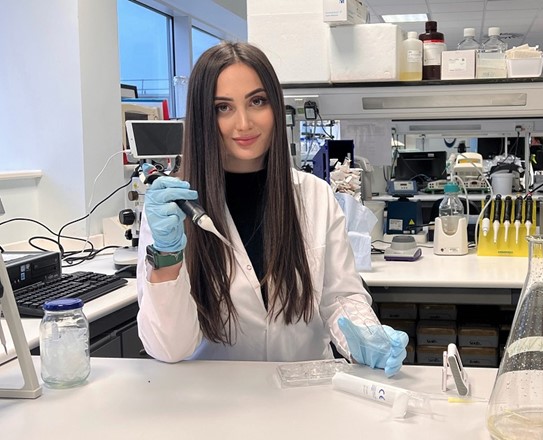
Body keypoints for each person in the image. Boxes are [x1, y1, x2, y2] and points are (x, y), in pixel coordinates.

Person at [136, 41, 408, 377]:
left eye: (257, 101)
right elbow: (168, 348)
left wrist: (367, 335)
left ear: (275, 106)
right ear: (202, 117)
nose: (244, 123)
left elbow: (340, 296)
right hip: (216, 400)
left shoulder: (315, 195)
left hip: (307, 394)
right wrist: (167, 257)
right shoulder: (176, 207)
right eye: (223, 107)